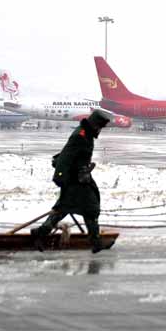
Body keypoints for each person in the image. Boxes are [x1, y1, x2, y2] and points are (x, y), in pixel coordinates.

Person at [31, 109, 113, 254]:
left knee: (75, 209)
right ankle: (95, 242)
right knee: (87, 208)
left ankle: (95, 242)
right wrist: (60, 176)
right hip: (74, 180)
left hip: (80, 178)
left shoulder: (86, 134)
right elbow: (66, 156)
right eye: (100, 126)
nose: (100, 129)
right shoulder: (80, 136)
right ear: (94, 124)